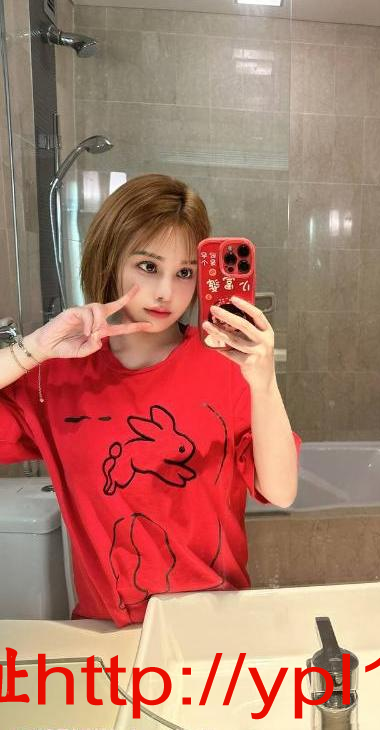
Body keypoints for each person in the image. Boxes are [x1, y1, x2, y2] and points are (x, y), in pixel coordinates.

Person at [0, 174, 301, 627]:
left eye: (185, 273)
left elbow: (281, 492)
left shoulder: (225, 362)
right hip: (107, 629)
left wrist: (264, 383)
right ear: (111, 260)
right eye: (147, 266)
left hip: (213, 621)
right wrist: (34, 348)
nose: (166, 292)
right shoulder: (56, 377)